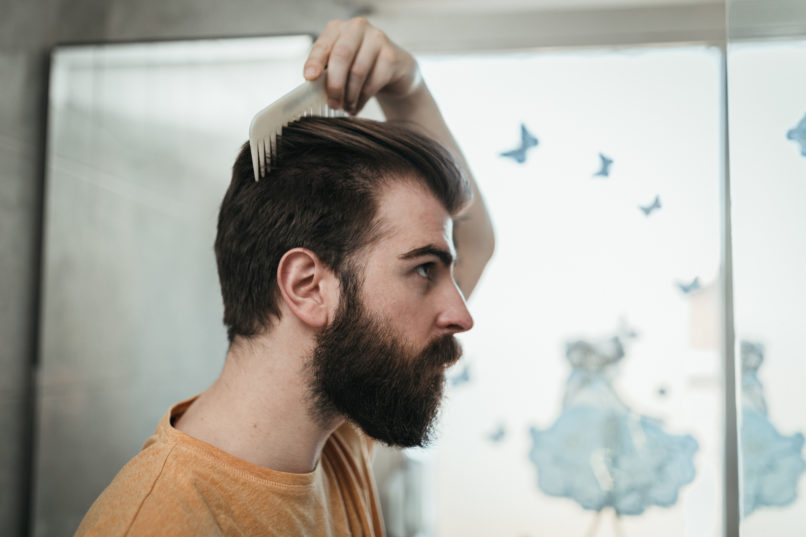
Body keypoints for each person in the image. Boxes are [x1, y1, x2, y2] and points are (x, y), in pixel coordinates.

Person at [75, 17, 494, 537]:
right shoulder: (163, 524)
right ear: (307, 286)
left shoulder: (334, 434)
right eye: (424, 269)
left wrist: (407, 88)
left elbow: (475, 240)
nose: (461, 315)